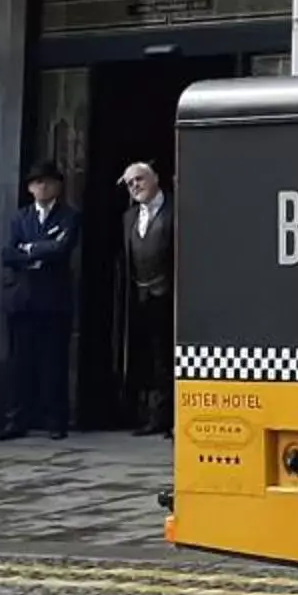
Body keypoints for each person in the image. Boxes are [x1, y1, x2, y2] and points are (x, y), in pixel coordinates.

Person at [0, 162, 80, 441]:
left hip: (54, 299)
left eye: (48, 182)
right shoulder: (20, 218)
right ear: (30, 188)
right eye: (37, 183)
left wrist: (29, 249)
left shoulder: (69, 216)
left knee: (53, 363)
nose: (42, 187)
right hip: (22, 300)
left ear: (57, 186)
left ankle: (55, 420)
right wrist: (38, 251)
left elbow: (61, 248)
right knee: (19, 363)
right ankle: (16, 419)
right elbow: (8, 254)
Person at [118, 161, 174, 436]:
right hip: (141, 295)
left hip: (169, 296)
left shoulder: (175, 211)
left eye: (139, 179)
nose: (135, 186)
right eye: (129, 183)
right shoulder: (128, 217)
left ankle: (173, 417)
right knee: (148, 357)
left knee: (169, 356)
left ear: (155, 179)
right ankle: (153, 415)